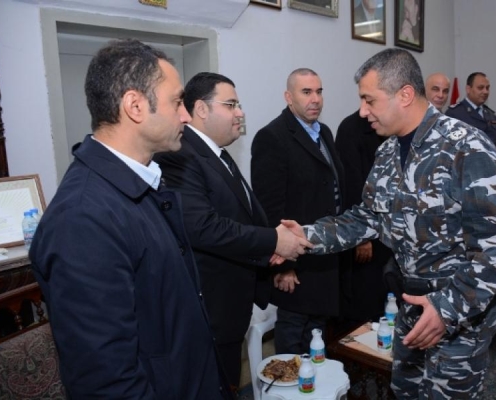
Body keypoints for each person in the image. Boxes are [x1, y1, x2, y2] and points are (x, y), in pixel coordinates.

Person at [283, 49, 496, 399]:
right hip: (410, 301)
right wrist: (304, 235)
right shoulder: (388, 151)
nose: (363, 111)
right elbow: (367, 217)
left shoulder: (467, 147)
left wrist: (447, 307)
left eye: (369, 100)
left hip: (458, 312)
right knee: (405, 390)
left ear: (405, 94)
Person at [29, 39, 233, 399]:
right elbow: (107, 381)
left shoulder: (141, 181)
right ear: (135, 106)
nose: (186, 116)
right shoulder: (82, 218)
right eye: (176, 102)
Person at [153, 72, 311, 391]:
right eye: (231, 105)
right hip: (209, 308)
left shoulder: (217, 153)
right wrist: (274, 241)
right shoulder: (180, 155)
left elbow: (244, 215)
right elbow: (202, 227)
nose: (240, 113)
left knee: (227, 383)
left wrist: (272, 249)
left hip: (230, 305)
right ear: (201, 109)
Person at [251, 68, 345, 354]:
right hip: (294, 260)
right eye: (306, 92)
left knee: (316, 335)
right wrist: (282, 266)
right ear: (288, 97)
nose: (315, 99)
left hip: (323, 254)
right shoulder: (272, 137)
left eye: (319, 91)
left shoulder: (324, 132)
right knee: (293, 334)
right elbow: (268, 208)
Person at [335, 109, 392, 323]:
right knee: (365, 302)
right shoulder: (351, 129)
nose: (365, 108)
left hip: (389, 232)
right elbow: (351, 186)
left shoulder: (393, 125)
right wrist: (362, 237)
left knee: (388, 301)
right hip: (366, 236)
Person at [446, 72, 496, 153]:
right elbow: (449, 148)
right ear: (468, 89)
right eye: (480, 88)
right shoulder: (455, 113)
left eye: (487, 88)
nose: (485, 92)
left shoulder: (491, 115)